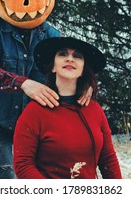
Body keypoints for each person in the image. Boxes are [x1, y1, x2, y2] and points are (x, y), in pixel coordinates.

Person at [0, 0, 92, 179]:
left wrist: (86, 84)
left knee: (37, 181)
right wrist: (24, 83)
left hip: (33, 126)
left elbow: (68, 69)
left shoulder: (53, 36)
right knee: (9, 182)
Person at [13, 37, 122, 179]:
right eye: (63, 54)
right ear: (52, 66)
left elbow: (108, 159)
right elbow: (23, 165)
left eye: (77, 56)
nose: (70, 59)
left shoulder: (94, 110)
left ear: (83, 70)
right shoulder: (34, 112)